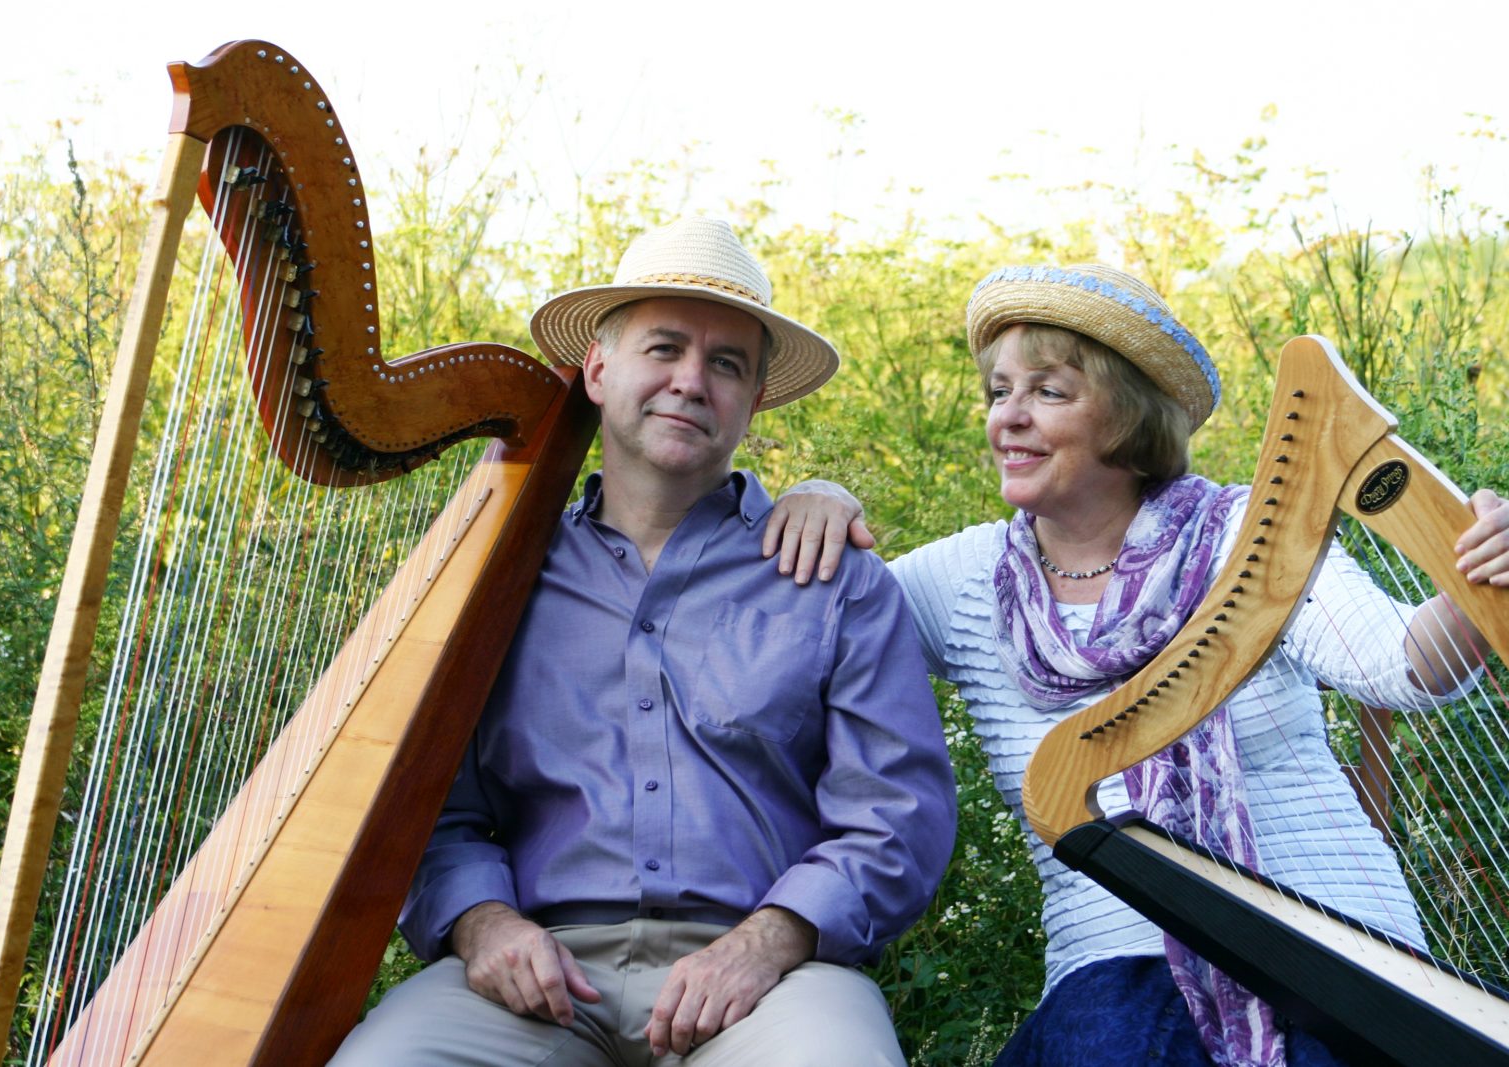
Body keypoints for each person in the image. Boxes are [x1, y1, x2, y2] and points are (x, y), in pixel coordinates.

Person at [764, 263, 1509, 1066]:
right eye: (998, 391)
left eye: (1047, 391)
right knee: (1112, 1038)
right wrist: (819, 495)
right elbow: (804, 660)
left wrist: (1481, 576)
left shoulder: (1243, 538)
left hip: (1340, 958)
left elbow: (1399, 662)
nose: (1006, 418)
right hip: (1113, 970)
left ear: (1126, 412)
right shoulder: (962, 580)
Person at [331, 217, 957, 1067]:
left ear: (754, 399)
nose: (691, 381)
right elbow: (433, 811)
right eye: (663, 347)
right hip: (538, 968)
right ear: (598, 369)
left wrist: (766, 942)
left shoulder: (834, 575)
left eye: (727, 363)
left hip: (770, 978)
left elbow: (897, 815)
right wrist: (484, 924)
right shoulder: (493, 577)